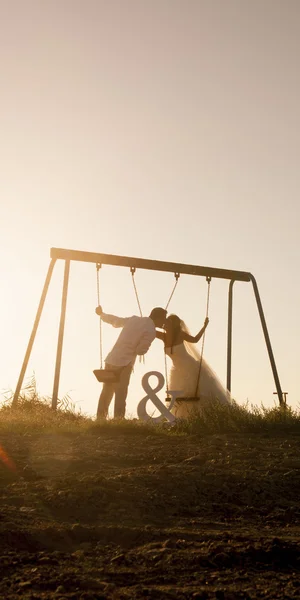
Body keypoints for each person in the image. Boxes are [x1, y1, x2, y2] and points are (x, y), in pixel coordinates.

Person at [95, 306, 167, 419]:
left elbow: (116, 321)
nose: (164, 322)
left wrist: (102, 315)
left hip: (111, 359)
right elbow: (140, 351)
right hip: (125, 363)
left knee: (106, 391)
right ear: (158, 318)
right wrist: (144, 348)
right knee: (121, 393)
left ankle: (100, 419)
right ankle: (118, 419)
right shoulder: (151, 330)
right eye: (164, 319)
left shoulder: (134, 319)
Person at [156, 314, 231, 418]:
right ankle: (183, 419)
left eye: (167, 321)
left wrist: (204, 327)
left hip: (189, 367)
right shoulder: (163, 336)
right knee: (178, 397)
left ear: (173, 324)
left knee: (193, 394)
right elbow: (150, 330)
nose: (165, 323)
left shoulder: (180, 334)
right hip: (176, 370)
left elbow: (195, 339)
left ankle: (201, 418)